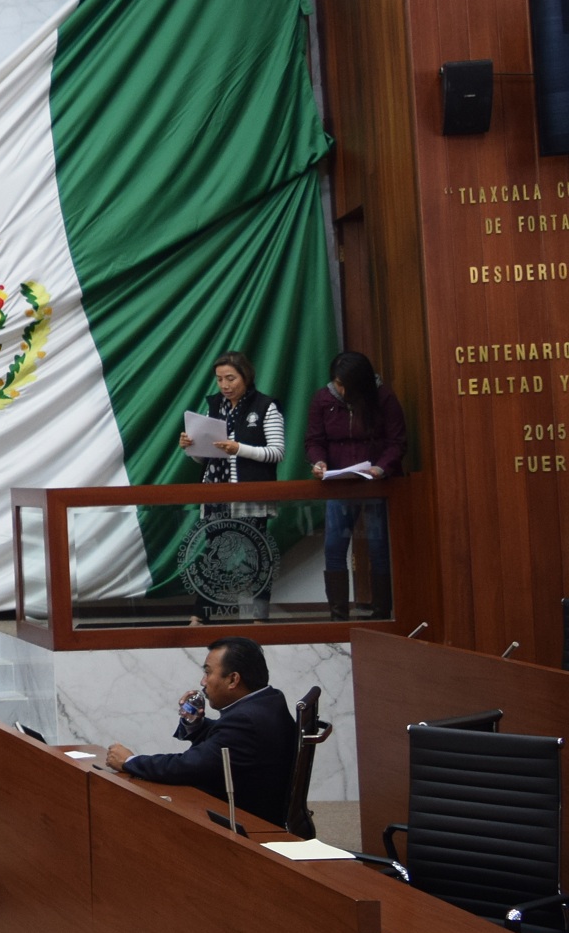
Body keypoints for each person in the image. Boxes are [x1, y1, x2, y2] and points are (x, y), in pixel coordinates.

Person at [103, 636, 298, 826]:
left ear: (233, 679)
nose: (203, 682)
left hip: (242, 823)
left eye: (208, 673)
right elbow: (229, 742)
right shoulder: (268, 701)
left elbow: (188, 767)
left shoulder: (245, 720)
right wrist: (196, 724)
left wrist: (129, 761)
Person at [175, 350, 285, 622]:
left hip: (250, 493)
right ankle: (201, 618)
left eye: (230, 378)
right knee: (214, 556)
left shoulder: (266, 406)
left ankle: (256, 619)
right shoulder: (214, 407)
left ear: (245, 376)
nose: (224, 385)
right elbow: (206, 456)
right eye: (219, 379)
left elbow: (277, 452)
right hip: (216, 493)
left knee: (255, 556)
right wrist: (190, 447)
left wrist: (239, 449)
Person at [304, 350, 408, 620]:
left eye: (344, 384)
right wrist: (319, 462)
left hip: (375, 484)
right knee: (334, 548)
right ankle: (338, 616)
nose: (339, 389)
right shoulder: (323, 399)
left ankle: (381, 613)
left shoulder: (383, 397)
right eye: (336, 383)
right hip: (339, 483)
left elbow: (397, 442)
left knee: (378, 548)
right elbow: (314, 440)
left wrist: (381, 467)